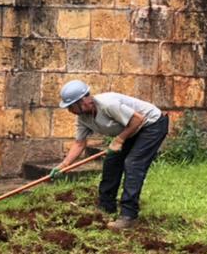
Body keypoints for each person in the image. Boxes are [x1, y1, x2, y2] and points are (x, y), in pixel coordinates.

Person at [52, 80, 169, 230]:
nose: (70, 110)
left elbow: (138, 119)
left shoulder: (108, 104)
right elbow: (79, 143)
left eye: (71, 106)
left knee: (133, 164)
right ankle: (106, 207)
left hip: (152, 124)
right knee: (111, 161)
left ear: (85, 100)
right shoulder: (83, 118)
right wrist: (63, 166)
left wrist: (119, 139)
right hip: (131, 129)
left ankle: (128, 216)